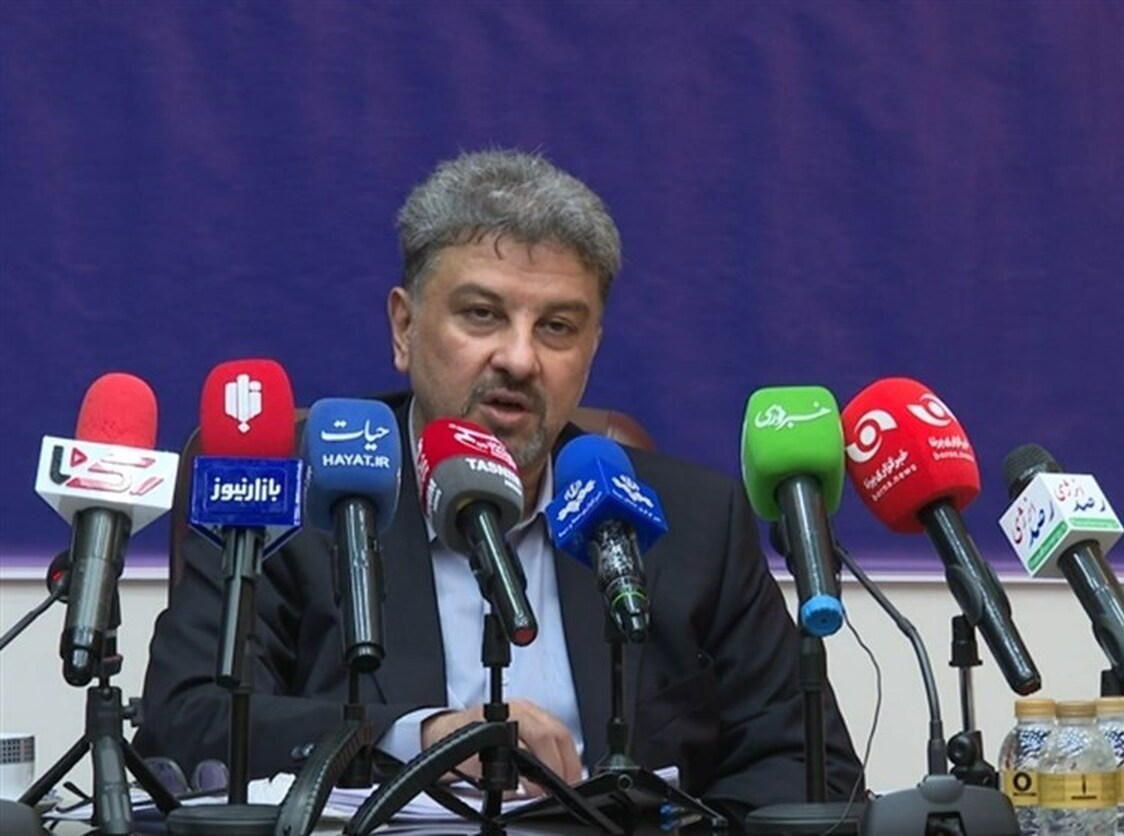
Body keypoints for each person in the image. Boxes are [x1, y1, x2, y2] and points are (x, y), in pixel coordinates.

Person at [134, 149, 864, 822]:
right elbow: (189, 722)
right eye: (482, 315)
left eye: (557, 327)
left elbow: (808, 770)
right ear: (404, 327)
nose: (518, 358)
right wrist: (425, 737)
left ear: (592, 349)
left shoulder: (695, 521)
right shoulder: (288, 495)